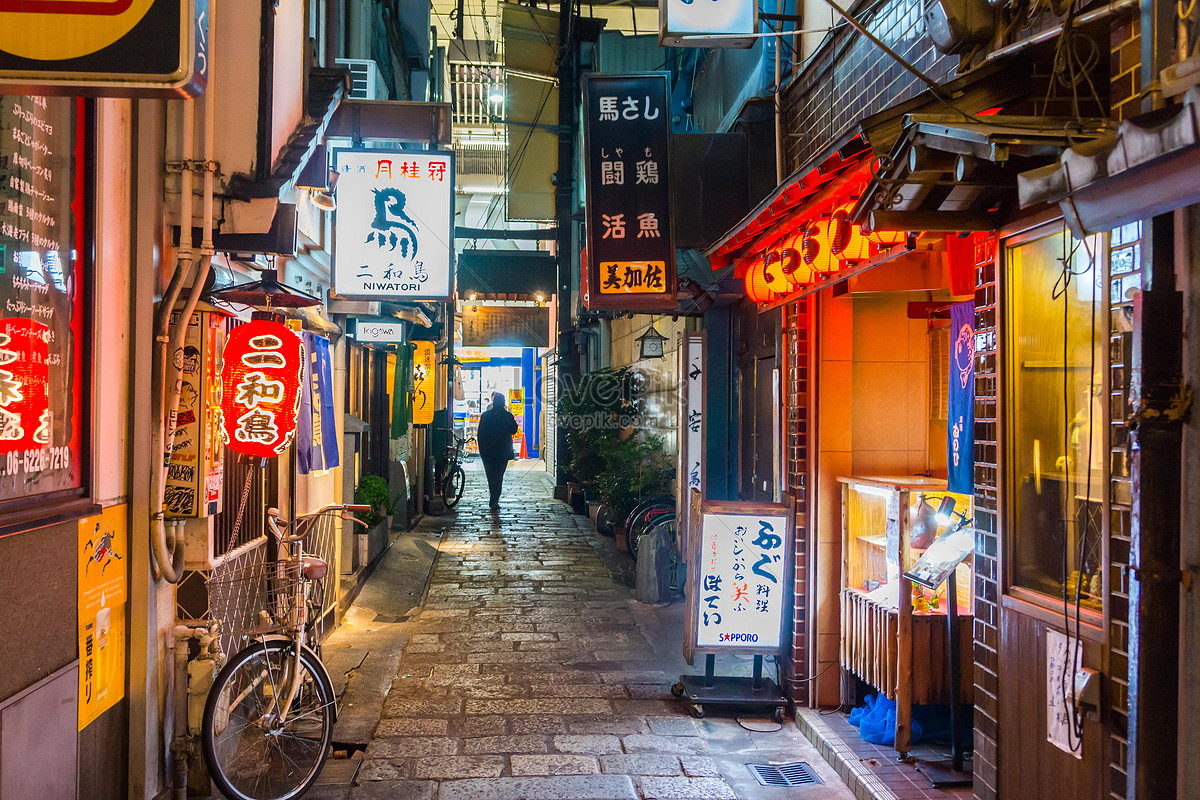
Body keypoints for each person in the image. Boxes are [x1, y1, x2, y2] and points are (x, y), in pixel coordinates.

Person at [476, 391, 519, 510]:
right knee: (499, 476)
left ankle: (493, 498)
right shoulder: (507, 416)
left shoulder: (485, 415)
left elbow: (480, 434)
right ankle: (494, 500)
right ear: (503, 403)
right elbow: (514, 430)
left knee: (490, 476)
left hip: (487, 452)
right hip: (502, 452)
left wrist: (482, 449)